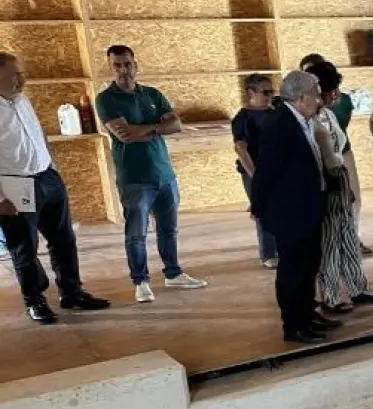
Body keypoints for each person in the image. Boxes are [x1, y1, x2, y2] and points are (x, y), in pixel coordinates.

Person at [0, 52, 109, 323]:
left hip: (47, 177)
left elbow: (38, 133)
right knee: (24, 248)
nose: (22, 79)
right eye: (15, 75)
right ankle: (35, 300)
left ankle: (72, 293)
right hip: (15, 186)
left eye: (21, 73)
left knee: (63, 239)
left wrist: (53, 169)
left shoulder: (22, 99)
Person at [95, 44, 208, 302]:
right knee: (136, 233)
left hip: (164, 173)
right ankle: (141, 281)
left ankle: (173, 273)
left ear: (135, 65)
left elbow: (176, 125)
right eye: (117, 65)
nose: (123, 70)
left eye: (127, 64)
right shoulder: (106, 99)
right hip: (134, 177)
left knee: (169, 229)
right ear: (111, 68)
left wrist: (145, 129)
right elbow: (125, 135)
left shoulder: (152, 94)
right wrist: (158, 127)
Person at [250, 70, 343, 344]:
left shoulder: (303, 119)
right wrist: (258, 205)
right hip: (289, 211)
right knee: (293, 269)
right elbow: (266, 170)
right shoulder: (279, 124)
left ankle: (307, 314)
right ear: (301, 98)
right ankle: (294, 325)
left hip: (308, 206)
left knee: (308, 264)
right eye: (316, 95)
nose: (319, 100)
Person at [307, 61, 373, 313]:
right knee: (330, 242)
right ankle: (330, 297)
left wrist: (346, 186)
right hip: (323, 183)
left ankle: (358, 287)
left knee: (349, 234)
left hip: (339, 178)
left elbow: (338, 150)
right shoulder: (308, 120)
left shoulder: (329, 115)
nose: (336, 95)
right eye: (332, 91)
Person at [300, 53, 372, 256]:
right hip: (320, 172)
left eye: (335, 90)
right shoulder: (305, 117)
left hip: (339, 160)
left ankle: (350, 242)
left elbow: (338, 137)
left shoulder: (331, 111)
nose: (334, 95)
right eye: (330, 91)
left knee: (351, 202)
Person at [231, 73, 277, 268]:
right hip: (255, 170)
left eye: (271, 92)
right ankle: (268, 254)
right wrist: (256, 176)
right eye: (265, 92)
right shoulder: (243, 118)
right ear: (251, 93)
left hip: (276, 168)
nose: (270, 96)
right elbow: (241, 148)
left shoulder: (275, 113)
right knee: (263, 210)